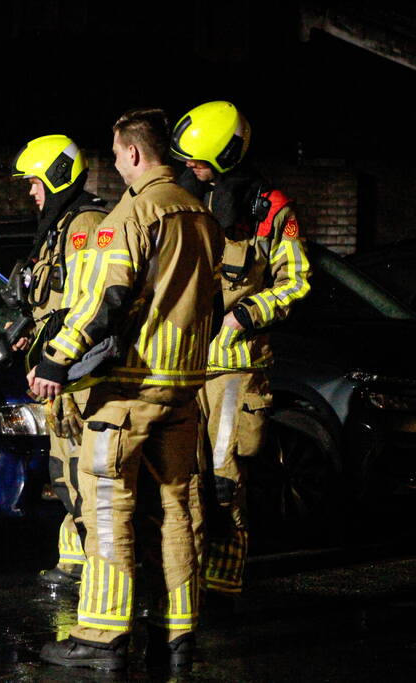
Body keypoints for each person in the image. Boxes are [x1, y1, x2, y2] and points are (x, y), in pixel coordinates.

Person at [33, 108, 222, 671]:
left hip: (128, 389)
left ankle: (102, 634)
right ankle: (179, 630)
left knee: (108, 505)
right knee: (177, 507)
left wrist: (54, 359)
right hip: (184, 388)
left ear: (135, 154)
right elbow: (210, 306)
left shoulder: (133, 214)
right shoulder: (202, 216)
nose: (115, 165)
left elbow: (103, 299)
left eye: (116, 155)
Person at [170, 100, 311, 604]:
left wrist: (243, 315)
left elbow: (295, 282)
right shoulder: (180, 199)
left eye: (200, 159)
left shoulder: (270, 209)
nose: (190, 166)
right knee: (181, 479)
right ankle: (183, 582)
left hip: (236, 368)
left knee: (226, 479)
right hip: (179, 363)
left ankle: (224, 585)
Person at [7, 134, 107, 587]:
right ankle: (75, 563)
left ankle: (99, 568)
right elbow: (51, 300)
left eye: (34, 182)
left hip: (77, 373)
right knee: (64, 471)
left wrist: (56, 359)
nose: (31, 192)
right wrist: (27, 330)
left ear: (56, 174)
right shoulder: (58, 227)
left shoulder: (84, 224)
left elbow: (88, 302)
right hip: (56, 369)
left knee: (84, 472)